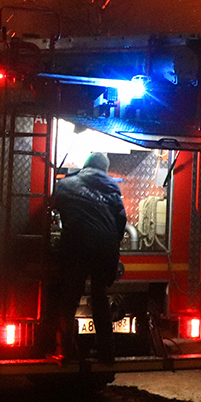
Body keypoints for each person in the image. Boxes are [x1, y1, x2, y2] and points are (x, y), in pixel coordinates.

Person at [43, 152, 127, 364]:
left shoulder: (66, 184)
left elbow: (48, 210)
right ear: (104, 170)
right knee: (100, 298)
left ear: (85, 165)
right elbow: (121, 220)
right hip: (105, 249)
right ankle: (107, 354)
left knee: (70, 299)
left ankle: (67, 353)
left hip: (77, 246)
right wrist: (112, 247)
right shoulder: (112, 187)